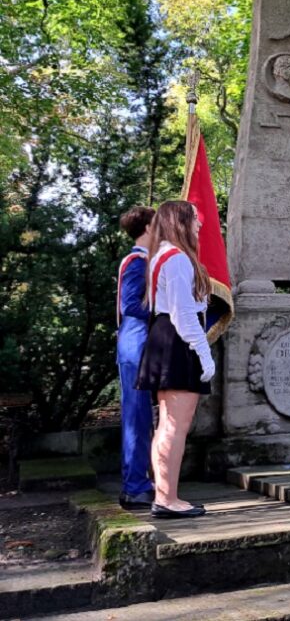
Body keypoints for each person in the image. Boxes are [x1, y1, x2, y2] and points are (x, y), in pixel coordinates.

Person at [136, 200, 214, 518]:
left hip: (163, 336)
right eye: (195, 219)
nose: (199, 224)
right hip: (177, 339)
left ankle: (165, 495)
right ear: (181, 221)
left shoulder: (160, 256)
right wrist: (205, 354)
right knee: (175, 426)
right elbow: (184, 315)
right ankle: (167, 499)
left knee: (166, 426)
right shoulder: (178, 259)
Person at [116, 206, 156, 509]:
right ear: (147, 228)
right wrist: (165, 310)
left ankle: (137, 482)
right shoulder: (136, 262)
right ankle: (135, 486)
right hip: (136, 340)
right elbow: (131, 305)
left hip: (138, 339)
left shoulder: (144, 261)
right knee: (137, 417)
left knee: (141, 416)